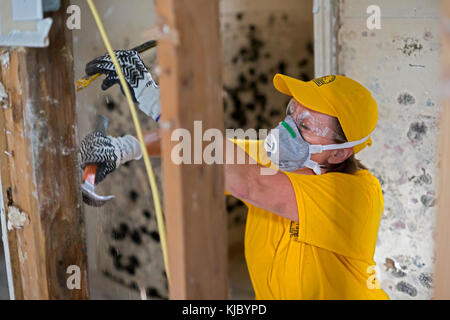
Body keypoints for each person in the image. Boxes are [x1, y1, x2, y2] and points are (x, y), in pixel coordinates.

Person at [80, 49, 389, 300]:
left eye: (306, 126)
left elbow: (248, 183)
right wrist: (124, 148)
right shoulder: (277, 163)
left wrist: (157, 101)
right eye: (292, 112)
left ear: (339, 153)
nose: (289, 127)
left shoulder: (356, 195)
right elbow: (200, 147)